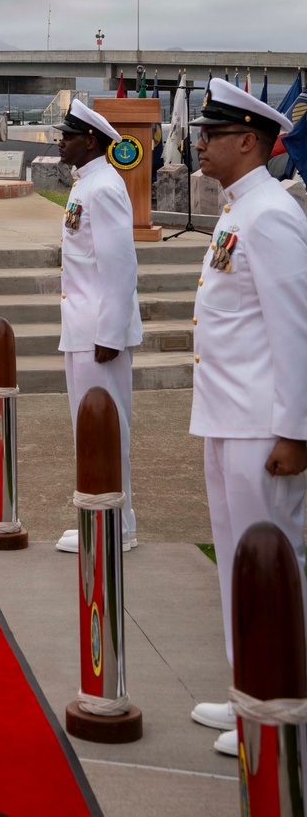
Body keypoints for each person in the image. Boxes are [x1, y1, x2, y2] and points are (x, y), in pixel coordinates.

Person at [186, 79, 307, 759]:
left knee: (273, 569)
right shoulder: (241, 210)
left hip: (264, 427)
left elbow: (295, 330)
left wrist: (296, 431)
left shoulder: (271, 216)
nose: (200, 144)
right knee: (240, 568)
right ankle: (250, 696)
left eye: (212, 134)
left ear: (249, 142)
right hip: (229, 417)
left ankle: (286, 712)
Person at [54, 98, 142, 555]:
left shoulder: (104, 188)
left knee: (106, 429)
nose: (61, 142)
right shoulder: (86, 183)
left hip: (99, 333)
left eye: (68, 136)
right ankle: (100, 516)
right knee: (87, 430)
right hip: (82, 326)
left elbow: (120, 265)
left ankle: (117, 525)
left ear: (91, 141)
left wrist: (110, 334)